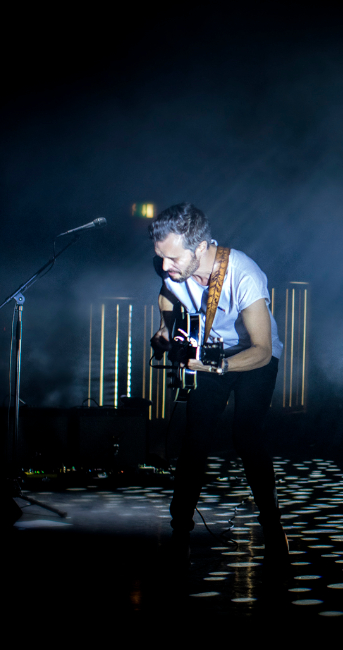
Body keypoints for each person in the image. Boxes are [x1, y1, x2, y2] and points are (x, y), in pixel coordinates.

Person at [148, 202, 287, 569]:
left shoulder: (243, 274)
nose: (165, 266)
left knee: (247, 434)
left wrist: (219, 366)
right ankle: (180, 532)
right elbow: (166, 293)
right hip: (210, 354)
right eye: (160, 257)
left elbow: (262, 350)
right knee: (196, 437)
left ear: (200, 247)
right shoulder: (171, 267)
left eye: (173, 258)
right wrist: (166, 328)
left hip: (253, 357)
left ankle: (273, 526)